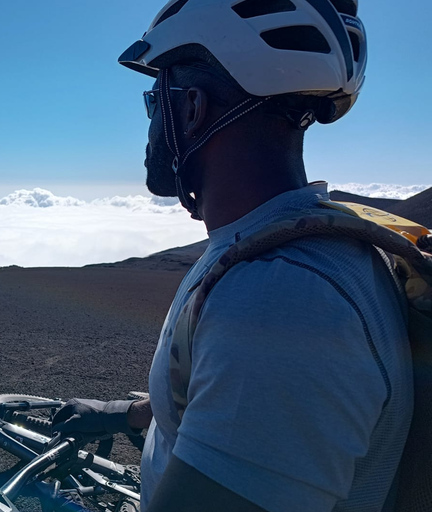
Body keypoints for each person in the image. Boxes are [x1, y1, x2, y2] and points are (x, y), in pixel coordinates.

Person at [52, 1, 413, 510]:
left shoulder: (280, 298)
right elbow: (231, 400)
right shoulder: (281, 250)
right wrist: (125, 413)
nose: (151, 119)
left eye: (155, 100)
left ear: (192, 108)